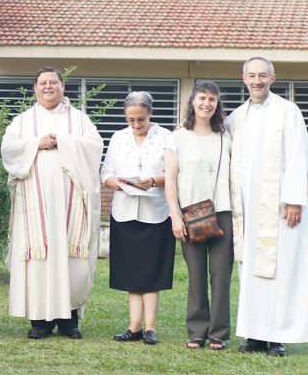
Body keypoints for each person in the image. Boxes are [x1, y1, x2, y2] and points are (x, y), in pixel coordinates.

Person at [2, 67, 103, 340]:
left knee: (70, 260)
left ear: (63, 86)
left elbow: (94, 147)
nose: (48, 87)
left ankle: (69, 320)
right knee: (40, 256)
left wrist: (63, 141)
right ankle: (40, 321)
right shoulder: (23, 122)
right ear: (35, 88)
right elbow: (9, 150)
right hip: (33, 203)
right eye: (43, 83)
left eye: (53, 82)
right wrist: (36, 144)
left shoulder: (79, 120)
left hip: (71, 205)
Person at [227, 56, 308, 357]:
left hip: (280, 210)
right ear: (244, 78)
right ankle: (255, 335)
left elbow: (300, 155)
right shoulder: (237, 117)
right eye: (252, 75)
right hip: (247, 209)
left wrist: (295, 199)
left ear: (273, 79)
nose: (257, 81)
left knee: (280, 271)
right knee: (250, 274)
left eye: (263, 75)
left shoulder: (289, 111)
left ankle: (277, 337)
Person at [164, 81, 233, 350]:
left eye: (212, 99)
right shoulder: (177, 137)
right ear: (192, 101)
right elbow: (170, 180)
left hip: (222, 212)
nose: (207, 103)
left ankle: (219, 332)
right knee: (195, 275)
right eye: (202, 98)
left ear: (217, 104)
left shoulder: (225, 136)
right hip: (190, 214)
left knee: (221, 274)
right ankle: (196, 331)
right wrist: (175, 216)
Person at [102, 91, 173, 345]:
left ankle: (150, 328)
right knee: (132, 273)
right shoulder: (118, 137)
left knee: (151, 272)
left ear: (150, 114)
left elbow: (176, 172)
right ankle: (133, 327)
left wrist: (153, 180)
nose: (136, 125)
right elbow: (106, 172)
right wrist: (117, 183)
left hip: (156, 212)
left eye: (140, 119)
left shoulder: (166, 136)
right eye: (131, 119)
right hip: (125, 211)